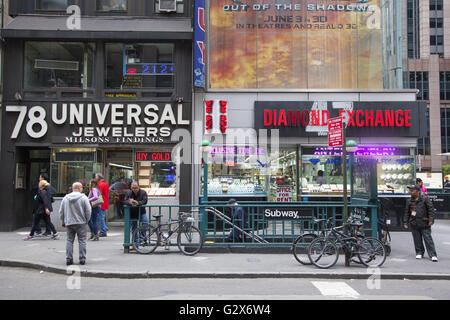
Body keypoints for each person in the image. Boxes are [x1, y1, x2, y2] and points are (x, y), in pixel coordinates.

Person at [59, 182, 92, 266]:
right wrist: (87, 220)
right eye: (82, 188)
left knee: (69, 241)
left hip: (69, 222)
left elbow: (61, 211)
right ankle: (82, 259)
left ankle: (69, 259)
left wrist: (63, 220)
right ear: (79, 188)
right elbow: (88, 210)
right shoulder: (84, 198)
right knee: (82, 241)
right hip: (81, 222)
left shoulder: (65, 198)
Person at [403, 185, 438, 262]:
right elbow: (407, 212)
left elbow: (431, 210)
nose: (410, 192)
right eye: (410, 190)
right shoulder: (409, 200)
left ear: (417, 191)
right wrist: (405, 222)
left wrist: (431, 220)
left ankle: (433, 254)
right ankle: (419, 252)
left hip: (424, 222)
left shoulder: (425, 199)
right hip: (414, 222)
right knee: (417, 239)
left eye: (412, 190)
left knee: (428, 239)